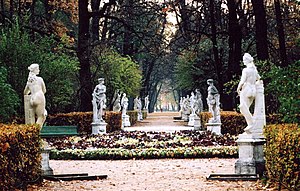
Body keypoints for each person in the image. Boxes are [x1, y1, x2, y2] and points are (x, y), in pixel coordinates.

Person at [236, 53, 261, 130]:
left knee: (242, 107)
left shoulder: (246, 70)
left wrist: (238, 88)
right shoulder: (254, 70)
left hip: (246, 89)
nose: (243, 62)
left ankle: (251, 124)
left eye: (244, 60)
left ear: (247, 60)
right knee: (245, 108)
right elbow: (259, 79)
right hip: (253, 90)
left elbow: (242, 81)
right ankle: (251, 124)